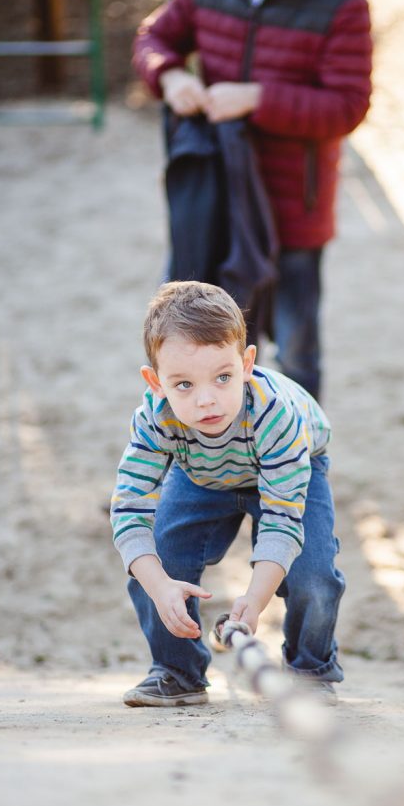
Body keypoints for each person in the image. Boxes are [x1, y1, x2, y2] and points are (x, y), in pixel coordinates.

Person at [132, 0, 373, 401]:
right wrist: (168, 77)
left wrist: (257, 98)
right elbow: (153, 39)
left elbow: (347, 107)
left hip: (293, 208)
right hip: (214, 199)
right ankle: (197, 479)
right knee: (192, 350)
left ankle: (303, 476)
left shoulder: (341, 0)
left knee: (294, 352)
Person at [111, 280, 345, 707]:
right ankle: (176, 671)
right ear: (155, 381)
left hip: (289, 470)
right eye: (183, 384)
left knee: (312, 573)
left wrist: (254, 601)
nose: (206, 401)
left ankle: (310, 670)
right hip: (200, 472)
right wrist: (159, 585)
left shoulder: (276, 415)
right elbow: (129, 511)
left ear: (247, 363)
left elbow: (283, 519)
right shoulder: (154, 419)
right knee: (160, 557)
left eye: (223, 377)